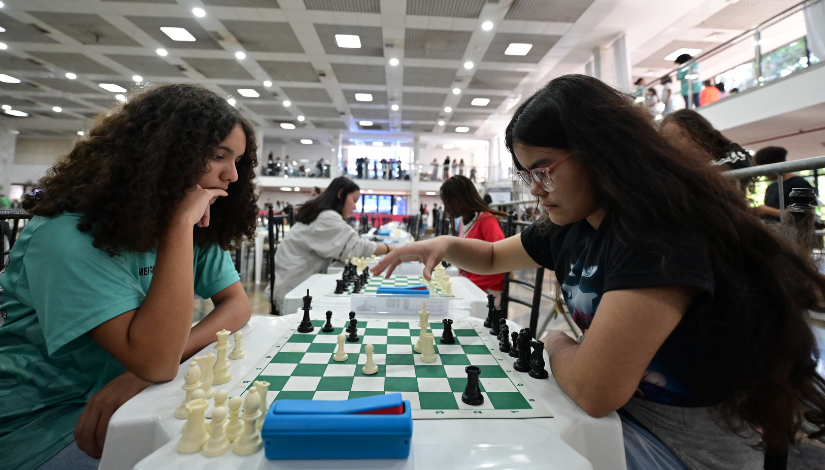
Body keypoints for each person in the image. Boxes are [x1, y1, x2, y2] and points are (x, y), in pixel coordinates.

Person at [372, 75, 825, 470]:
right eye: (526, 175)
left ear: (599, 152)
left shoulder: (657, 234)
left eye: (544, 170)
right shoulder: (572, 226)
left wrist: (554, 342)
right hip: (619, 421)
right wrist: (444, 244)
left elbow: (594, 389)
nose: (535, 189)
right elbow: (491, 258)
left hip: (686, 453)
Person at [0, 84, 258, 470]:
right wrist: (180, 223)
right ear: (168, 153)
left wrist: (136, 378)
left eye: (237, 159)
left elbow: (237, 306)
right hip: (47, 426)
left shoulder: (186, 228)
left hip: (132, 400)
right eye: (220, 156)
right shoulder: (65, 237)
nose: (233, 175)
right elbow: (156, 362)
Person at [272, 177, 392, 313]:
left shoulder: (321, 213)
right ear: (341, 194)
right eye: (354, 200)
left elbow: (347, 249)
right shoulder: (326, 217)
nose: (355, 207)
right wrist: (392, 249)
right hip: (294, 292)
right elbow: (358, 247)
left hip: (296, 284)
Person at [440, 175, 507, 306]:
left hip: (486, 291)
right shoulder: (463, 223)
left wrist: (467, 284)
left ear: (460, 200)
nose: (446, 208)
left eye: (447, 203)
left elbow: (502, 262)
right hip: (470, 286)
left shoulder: (486, 220)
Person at [660, 109, 754, 172]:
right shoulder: (674, 167)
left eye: (681, 135)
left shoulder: (732, 154)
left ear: (698, 132)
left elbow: (740, 164)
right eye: (667, 138)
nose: (673, 142)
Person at [753, 146, 815, 222]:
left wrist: (768, 210)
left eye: (765, 170)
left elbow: (807, 216)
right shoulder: (771, 187)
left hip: (795, 232)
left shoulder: (800, 184)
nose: (764, 174)